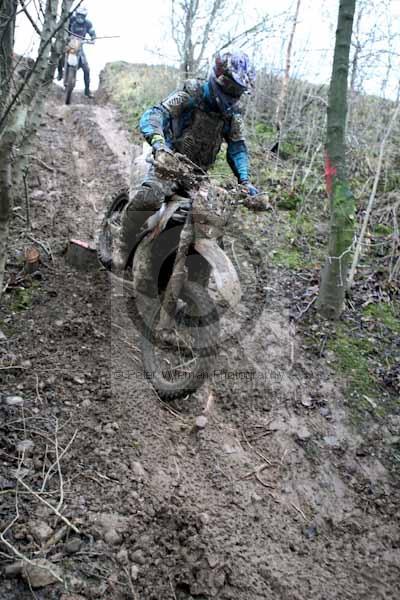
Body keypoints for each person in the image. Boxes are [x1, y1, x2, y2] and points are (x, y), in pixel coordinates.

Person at [119, 50, 260, 269]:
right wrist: (159, 143)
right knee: (150, 197)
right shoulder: (192, 92)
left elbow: (237, 147)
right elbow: (156, 113)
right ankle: (122, 242)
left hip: (198, 175)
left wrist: (245, 180)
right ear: (219, 77)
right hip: (169, 161)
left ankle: (189, 271)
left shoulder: (234, 114)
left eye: (238, 90)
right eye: (231, 87)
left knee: (211, 224)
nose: (233, 93)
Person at [57, 5, 96, 98]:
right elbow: (61, 29)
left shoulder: (88, 24)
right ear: (76, 14)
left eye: (82, 16)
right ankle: (60, 72)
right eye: (78, 15)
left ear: (85, 16)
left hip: (79, 46)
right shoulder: (70, 20)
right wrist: (63, 36)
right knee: (59, 56)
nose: (80, 18)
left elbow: (92, 34)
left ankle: (87, 90)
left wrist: (92, 39)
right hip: (68, 43)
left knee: (86, 69)